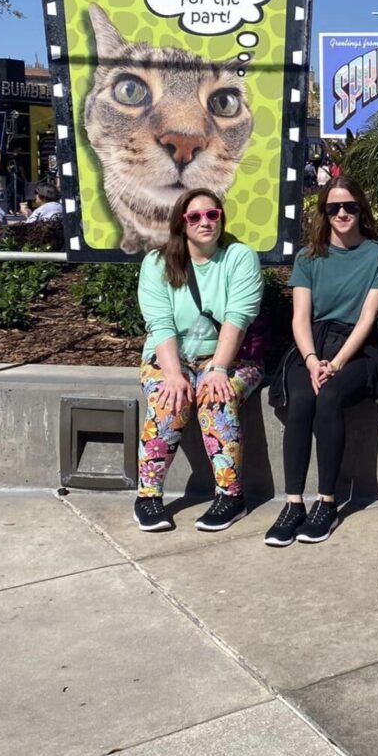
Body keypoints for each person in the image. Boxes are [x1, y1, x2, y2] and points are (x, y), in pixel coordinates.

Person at [264, 178, 378, 547]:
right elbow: (300, 317)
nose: (342, 213)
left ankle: (327, 502)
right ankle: (293, 504)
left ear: (361, 210)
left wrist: (335, 363)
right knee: (302, 398)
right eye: (334, 208)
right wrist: (311, 360)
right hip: (311, 343)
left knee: (329, 396)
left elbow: (369, 317)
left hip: (356, 347)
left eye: (350, 206)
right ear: (324, 212)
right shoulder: (309, 257)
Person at [133, 189, 264, 533]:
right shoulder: (158, 263)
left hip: (230, 356)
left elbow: (238, 317)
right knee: (168, 401)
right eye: (195, 217)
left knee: (215, 397)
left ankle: (230, 495)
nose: (205, 222)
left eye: (212, 214)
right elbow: (160, 324)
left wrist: (218, 368)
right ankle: (147, 497)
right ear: (181, 223)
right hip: (170, 358)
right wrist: (175, 376)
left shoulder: (240, 257)